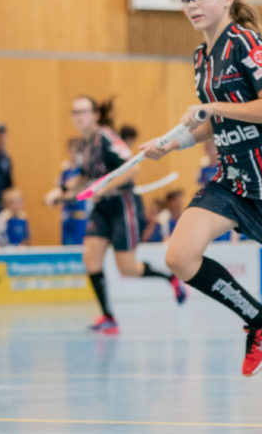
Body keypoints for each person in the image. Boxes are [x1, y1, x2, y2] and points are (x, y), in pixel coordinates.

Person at [141, 0, 262, 376]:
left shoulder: (245, 42)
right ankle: (261, 321)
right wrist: (173, 144)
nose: (192, 4)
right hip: (231, 178)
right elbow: (216, 122)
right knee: (180, 256)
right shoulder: (201, 56)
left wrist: (213, 106)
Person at [65, 95, 185, 334]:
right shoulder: (84, 144)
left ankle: (170, 278)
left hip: (124, 206)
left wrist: (103, 188)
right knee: (90, 260)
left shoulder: (106, 137)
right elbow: (84, 176)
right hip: (102, 209)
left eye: (84, 111)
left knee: (128, 268)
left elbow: (133, 169)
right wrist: (62, 191)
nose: (79, 117)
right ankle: (108, 317)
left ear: (95, 114)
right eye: (75, 112)